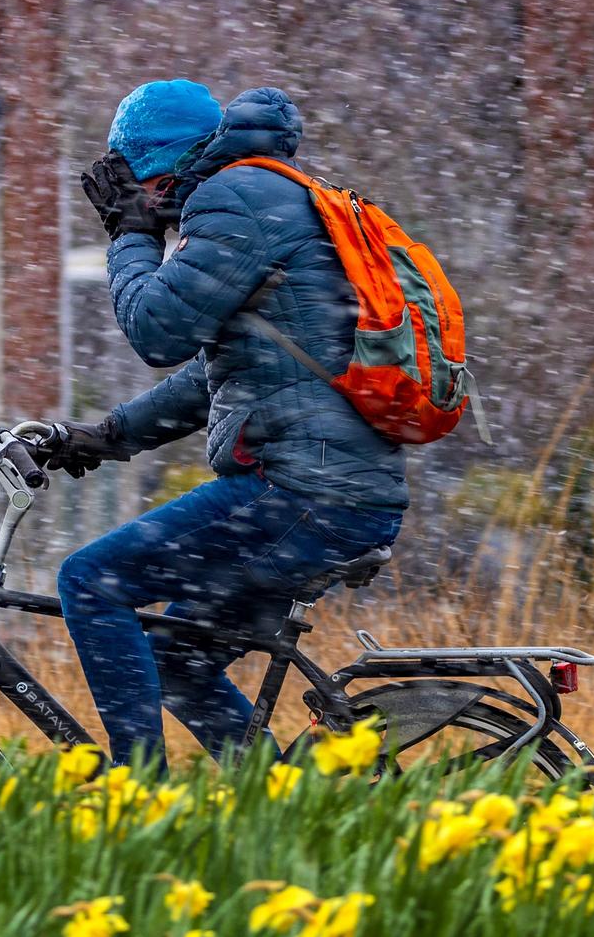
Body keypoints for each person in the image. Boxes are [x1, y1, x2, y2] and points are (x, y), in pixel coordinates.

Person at [50, 80, 408, 768]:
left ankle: (135, 798)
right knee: (179, 662)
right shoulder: (276, 195)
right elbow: (213, 375)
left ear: (176, 163)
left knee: (91, 580)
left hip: (306, 495)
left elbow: (156, 330)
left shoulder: (234, 198)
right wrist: (108, 435)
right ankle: (272, 808)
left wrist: (131, 236)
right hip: (340, 493)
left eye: (147, 181)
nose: (148, 198)